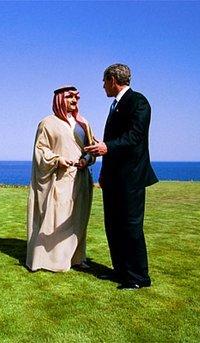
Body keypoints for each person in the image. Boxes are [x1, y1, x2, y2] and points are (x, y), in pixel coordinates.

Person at [86, 64, 158, 289]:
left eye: (104, 81)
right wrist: (103, 147)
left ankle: (138, 278)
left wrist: (107, 147)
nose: (102, 86)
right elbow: (118, 140)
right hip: (114, 178)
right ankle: (120, 271)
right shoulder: (115, 105)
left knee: (130, 226)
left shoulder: (138, 102)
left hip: (131, 178)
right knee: (113, 225)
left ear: (113, 80)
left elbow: (135, 137)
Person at [26, 85, 96, 272]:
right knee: (57, 218)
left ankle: (76, 258)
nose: (74, 101)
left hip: (81, 179)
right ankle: (51, 260)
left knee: (78, 218)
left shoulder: (83, 124)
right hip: (60, 180)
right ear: (59, 99)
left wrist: (86, 160)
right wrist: (58, 160)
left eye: (76, 97)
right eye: (70, 97)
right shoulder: (47, 123)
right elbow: (41, 151)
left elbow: (91, 150)